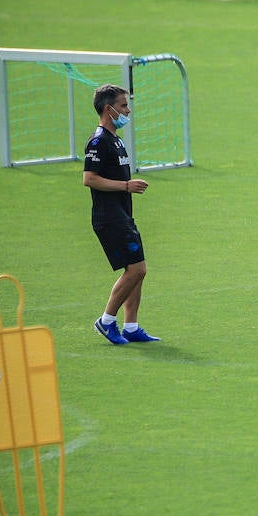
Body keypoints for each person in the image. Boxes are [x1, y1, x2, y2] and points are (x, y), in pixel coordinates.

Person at [83, 84, 160, 344]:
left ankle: (131, 326)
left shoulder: (115, 139)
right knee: (136, 269)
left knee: (137, 268)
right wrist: (127, 186)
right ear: (109, 109)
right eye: (123, 105)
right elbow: (90, 178)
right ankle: (106, 321)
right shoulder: (99, 141)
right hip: (109, 217)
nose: (128, 110)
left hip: (123, 214)